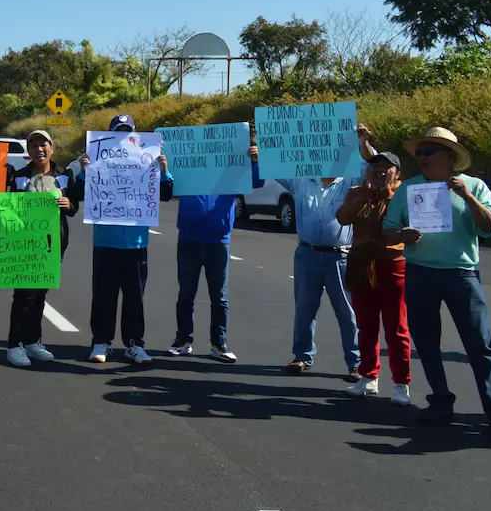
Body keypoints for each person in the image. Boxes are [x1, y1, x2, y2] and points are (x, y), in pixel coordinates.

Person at [382, 127, 491, 438]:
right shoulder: (409, 189)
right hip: (420, 272)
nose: (422, 158)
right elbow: (387, 228)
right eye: (420, 153)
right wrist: (402, 235)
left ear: (450, 157)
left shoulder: (475, 186)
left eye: (429, 152)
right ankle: (441, 402)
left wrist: (466, 196)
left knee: (481, 345)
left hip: (461, 274)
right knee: (426, 343)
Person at [280, 125, 376, 377]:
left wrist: (363, 142)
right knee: (304, 308)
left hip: (341, 256)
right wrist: (259, 149)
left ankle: (356, 361)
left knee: (348, 311)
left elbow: (372, 167)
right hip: (307, 253)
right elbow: (274, 165)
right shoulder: (301, 178)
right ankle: (301, 356)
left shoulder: (352, 178)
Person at [82, 114, 173, 365]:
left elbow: (165, 195)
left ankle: (134, 344)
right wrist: (84, 172)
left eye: (127, 131)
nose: (123, 136)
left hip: (136, 243)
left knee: (135, 297)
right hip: (105, 242)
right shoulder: (96, 157)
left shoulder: (149, 158)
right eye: (118, 131)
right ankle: (101, 342)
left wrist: (163, 171)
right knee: (103, 296)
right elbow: (79, 192)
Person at [167, 144, 263, 364]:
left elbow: (257, 182)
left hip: (218, 241)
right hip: (189, 239)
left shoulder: (231, 171)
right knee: (185, 294)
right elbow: (167, 184)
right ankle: (182, 340)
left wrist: (255, 162)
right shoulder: (189, 170)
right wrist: (164, 163)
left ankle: (219, 344)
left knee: (220, 297)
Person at [336, 151, 411, 405]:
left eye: (387, 167)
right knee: (366, 324)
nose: (380, 171)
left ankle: (401, 383)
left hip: (392, 265)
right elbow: (343, 217)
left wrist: (387, 192)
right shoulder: (359, 191)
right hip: (361, 264)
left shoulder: (404, 194)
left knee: (396, 327)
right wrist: (366, 196)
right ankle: (369, 376)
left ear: (397, 173)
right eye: (375, 166)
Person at [2, 130, 79, 367]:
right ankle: (14, 345)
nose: (38, 150)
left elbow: (74, 207)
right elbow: (8, 207)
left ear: (52, 147)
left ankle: (33, 341)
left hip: (53, 244)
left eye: (42, 145)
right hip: (24, 245)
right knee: (24, 294)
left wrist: (69, 204)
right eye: (33, 146)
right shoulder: (19, 177)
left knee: (39, 295)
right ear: (28, 151)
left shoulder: (64, 177)